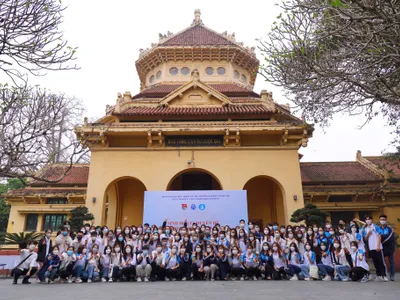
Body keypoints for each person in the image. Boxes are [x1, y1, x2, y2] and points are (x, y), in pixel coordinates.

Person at [363, 215, 388, 281]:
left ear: (372, 220)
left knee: (381, 262)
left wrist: (378, 246)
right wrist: (368, 234)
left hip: (378, 247)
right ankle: (379, 275)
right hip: (371, 248)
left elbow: (379, 236)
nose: (368, 220)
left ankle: (384, 275)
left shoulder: (375, 227)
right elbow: (365, 238)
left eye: (369, 219)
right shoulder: (366, 229)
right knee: (375, 262)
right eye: (366, 219)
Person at [379, 214, 396, 281]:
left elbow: (390, 238)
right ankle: (383, 275)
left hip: (390, 248)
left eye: (383, 219)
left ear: (386, 220)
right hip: (381, 248)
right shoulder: (378, 228)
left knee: (391, 262)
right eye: (381, 220)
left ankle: (392, 276)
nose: (382, 221)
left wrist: (381, 241)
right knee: (382, 262)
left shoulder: (390, 229)